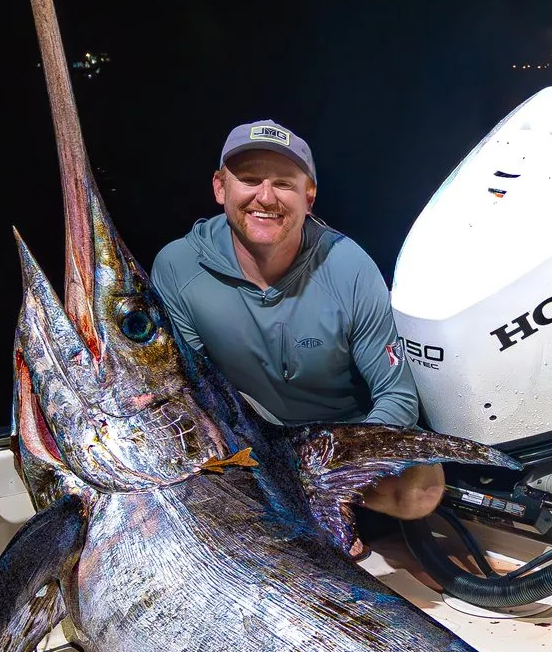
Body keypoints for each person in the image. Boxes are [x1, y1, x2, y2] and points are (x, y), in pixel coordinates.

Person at [150, 120, 444, 524]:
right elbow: (195, 392)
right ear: (220, 188)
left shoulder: (349, 266)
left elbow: (398, 396)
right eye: (249, 180)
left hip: (341, 442)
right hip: (249, 447)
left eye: (284, 184)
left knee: (421, 488)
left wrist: (334, 470)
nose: (265, 197)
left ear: (309, 196)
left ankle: (324, 510)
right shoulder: (177, 267)